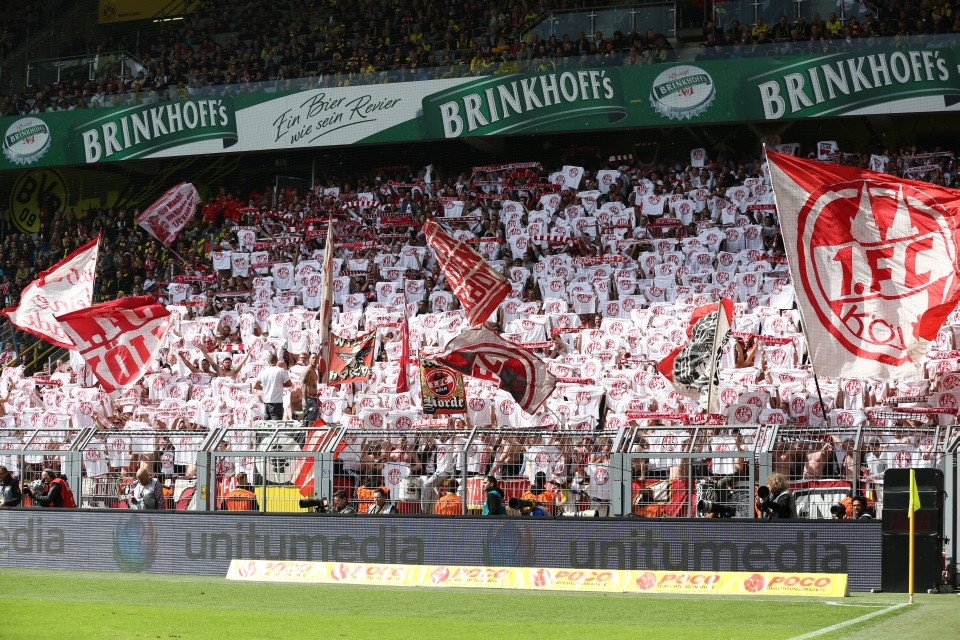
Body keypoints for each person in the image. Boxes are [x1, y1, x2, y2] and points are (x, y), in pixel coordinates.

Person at [254, 352, 292, 420]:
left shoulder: (263, 372)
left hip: (266, 402)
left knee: (267, 423)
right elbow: (289, 384)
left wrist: (265, 388)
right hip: (277, 402)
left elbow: (255, 385)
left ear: (268, 362)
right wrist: (281, 384)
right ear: (277, 361)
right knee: (276, 423)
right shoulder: (281, 371)